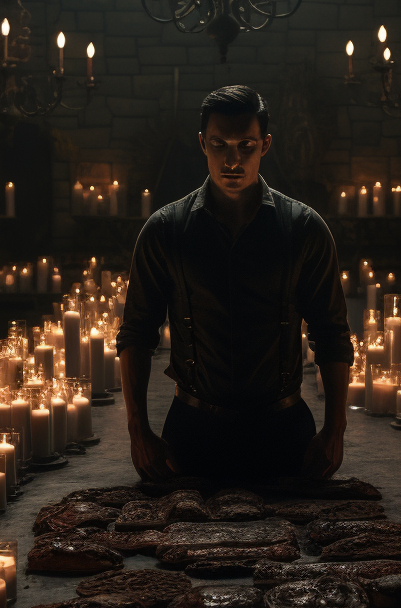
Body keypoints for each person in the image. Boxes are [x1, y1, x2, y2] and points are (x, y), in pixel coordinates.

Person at [116, 85, 353, 482]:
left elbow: (332, 334)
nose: (232, 160)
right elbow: (137, 333)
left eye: (245, 145)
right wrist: (138, 432)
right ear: (202, 144)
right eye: (219, 144)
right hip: (192, 434)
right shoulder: (165, 230)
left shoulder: (304, 229)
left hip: (283, 432)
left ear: (265, 144)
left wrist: (335, 430)